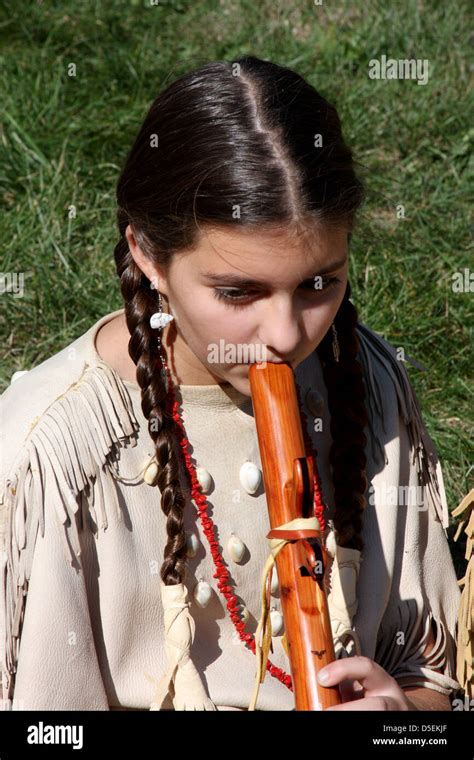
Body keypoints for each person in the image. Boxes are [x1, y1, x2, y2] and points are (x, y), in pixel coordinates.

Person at [0, 56, 462, 711]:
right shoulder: (46, 453)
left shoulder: (369, 378)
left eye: (318, 283)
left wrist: (399, 713)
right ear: (148, 255)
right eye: (239, 290)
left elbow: (431, 678)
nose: (284, 334)